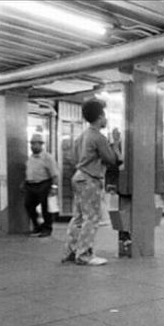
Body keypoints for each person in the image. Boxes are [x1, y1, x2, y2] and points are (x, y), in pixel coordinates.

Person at [62, 98, 122, 266]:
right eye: (105, 115)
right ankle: (84, 254)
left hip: (78, 176)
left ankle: (71, 251)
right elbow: (111, 159)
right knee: (92, 217)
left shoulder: (81, 136)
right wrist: (116, 143)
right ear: (100, 116)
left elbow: (73, 157)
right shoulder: (98, 137)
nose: (106, 119)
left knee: (78, 217)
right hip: (90, 179)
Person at [22, 133, 59, 237]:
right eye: (31, 143)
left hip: (44, 183)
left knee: (45, 207)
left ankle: (47, 229)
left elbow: (55, 174)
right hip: (31, 185)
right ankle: (37, 226)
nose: (33, 146)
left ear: (41, 144)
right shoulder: (31, 157)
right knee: (28, 205)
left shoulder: (47, 158)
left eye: (35, 144)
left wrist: (54, 187)